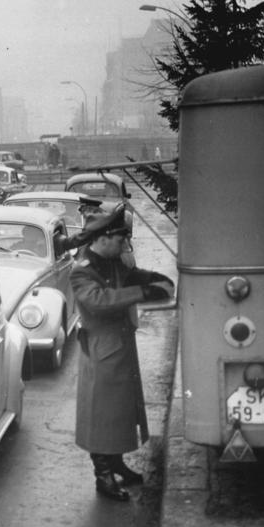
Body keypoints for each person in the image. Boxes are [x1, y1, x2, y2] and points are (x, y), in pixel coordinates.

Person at [70, 204, 174, 502]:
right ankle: (103, 476)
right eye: (120, 240)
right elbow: (99, 301)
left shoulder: (111, 261)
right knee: (101, 416)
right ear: (103, 238)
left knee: (119, 412)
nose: (125, 245)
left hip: (119, 346)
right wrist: (144, 293)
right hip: (101, 350)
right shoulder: (82, 271)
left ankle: (116, 464)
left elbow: (132, 275)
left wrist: (155, 279)